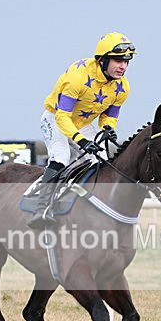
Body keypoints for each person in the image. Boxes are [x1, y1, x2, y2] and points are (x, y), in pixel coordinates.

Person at [27, 31, 135, 228]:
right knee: (61, 157)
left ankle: (91, 207)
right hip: (56, 119)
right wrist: (81, 140)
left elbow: (109, 115)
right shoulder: (77, 78)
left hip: (82, 123)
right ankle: (40, 208)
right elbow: (62, 116)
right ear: (102, 60)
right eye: (118, 60)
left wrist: (109, 128)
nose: (123, 67)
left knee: (101, 162)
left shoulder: (122, 87)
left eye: (126, 61)